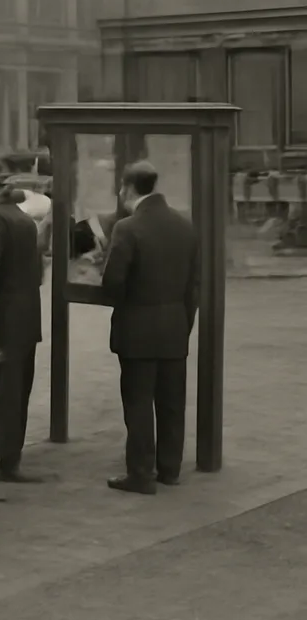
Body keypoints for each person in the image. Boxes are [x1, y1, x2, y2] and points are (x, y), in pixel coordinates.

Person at [101, 161, 199, 496]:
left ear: (127, 188)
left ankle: (141, 473)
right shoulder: (184, 225)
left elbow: (113, 282)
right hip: (174, 326)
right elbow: (193, 287)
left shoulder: (127, 228)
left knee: (139, 402)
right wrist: (183, 323)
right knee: (171, 402)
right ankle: (170, 469)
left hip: (137, 330)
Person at [0, 173, 44, 483]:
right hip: (28, 315)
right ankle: (8, 454)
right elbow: (38, 270)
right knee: (17, 388)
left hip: (2, 316)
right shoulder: (24, 219)